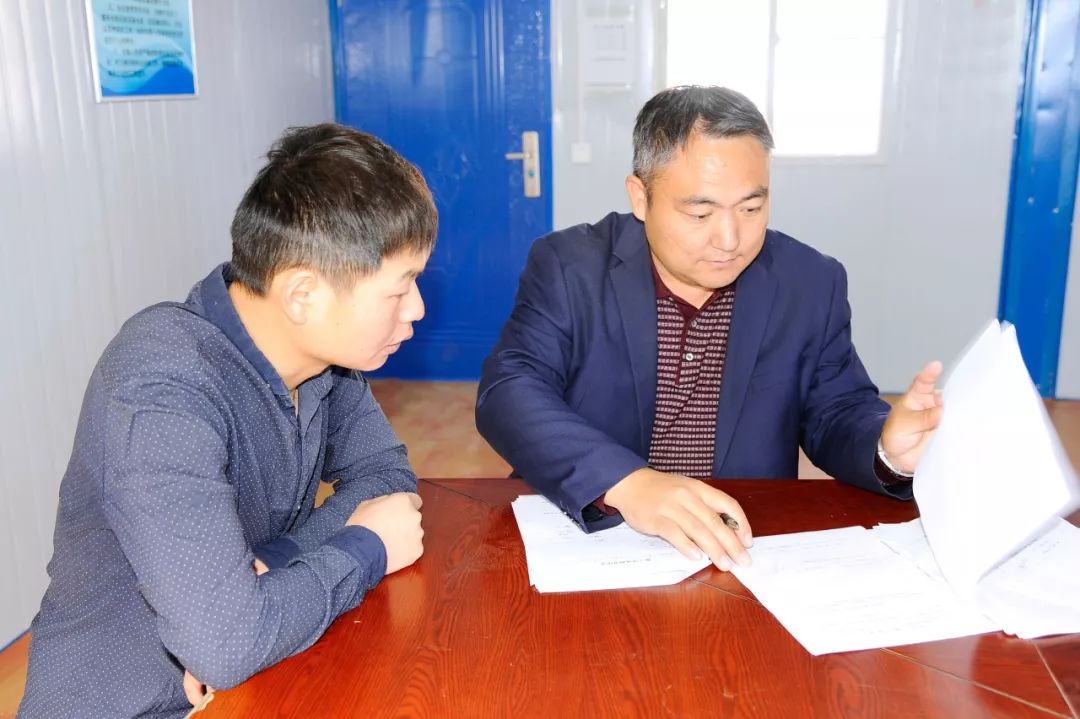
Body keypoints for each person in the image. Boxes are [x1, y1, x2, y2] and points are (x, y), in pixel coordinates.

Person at [19, 123, 435, 718]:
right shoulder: (160, 383)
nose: (417, 309)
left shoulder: (324, 360)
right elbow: (227, 645)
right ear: (302, 295)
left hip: (254, 679)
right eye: (400, 289)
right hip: (131, 705)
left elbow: (386, 479)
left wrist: (281, 562)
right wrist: (365, 546)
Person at [476, 86, 942, 572]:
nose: (730, 239)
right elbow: (509, 390)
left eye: (751, 208)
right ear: (640, 197)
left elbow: (836, 409)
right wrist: (626, 482)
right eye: (700, 213)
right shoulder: (570, 267)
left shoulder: (809, 282)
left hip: (736, 545)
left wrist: (886, 449)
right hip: (593, 536)